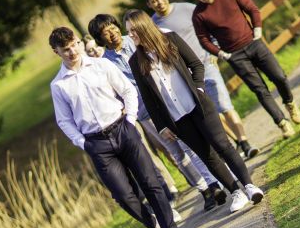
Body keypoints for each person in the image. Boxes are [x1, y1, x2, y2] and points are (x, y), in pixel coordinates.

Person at [49, 26, 192, 228]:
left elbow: (127, 91)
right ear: (56, 52)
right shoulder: (58, 85)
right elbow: (64, 121)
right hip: (96, 143)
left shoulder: (101, 65)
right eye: (66, 49)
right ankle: (153, 225)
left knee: (151, 183)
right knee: (123, 196)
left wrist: (131, 120)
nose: (73, 51)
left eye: (74, 45)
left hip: (123, 129)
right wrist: (83, 143)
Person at [124, 10, 265, 214]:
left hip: (199, 105)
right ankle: (236, 192)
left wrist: (199, 89)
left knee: (223, 145)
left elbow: (196, 65)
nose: (130, 35)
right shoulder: (135, 62)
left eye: (133, 30)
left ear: (143, 26)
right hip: (177, 119)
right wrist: (162, 126)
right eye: (128, 31)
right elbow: (148, 99)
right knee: (207, 156)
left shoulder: (170, 39)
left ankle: (249, 186)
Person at [88, 14, 226, 212]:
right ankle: (203, 188)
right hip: (146, 112)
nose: (112, 33)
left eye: (113, 27)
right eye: (105, 32)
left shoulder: (136, 40)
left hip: (168, 102)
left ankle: (213, 183)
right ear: (100, 38)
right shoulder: (105, 63)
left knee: (188, 145)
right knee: (176, 152)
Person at [143, 0, 259, 159]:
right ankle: (236, 142)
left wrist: (214, 50)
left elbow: (209, 26)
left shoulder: (187, 9)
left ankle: (246, 143)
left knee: (224, 105)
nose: (159, 2)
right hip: (185, 75)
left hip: (206, 64)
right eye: (154, 1)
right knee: (209, 111)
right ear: (149, 4)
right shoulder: (153, 25)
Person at [187, 0, 300, 139]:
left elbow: (252, 9)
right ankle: (282, 123)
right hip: (235, 56)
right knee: (260, 89)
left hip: (254, 43)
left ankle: (289, 103)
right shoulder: (199, 15)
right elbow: (204, 40)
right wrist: (221, 54)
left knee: (279, 76)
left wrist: (257, 29)